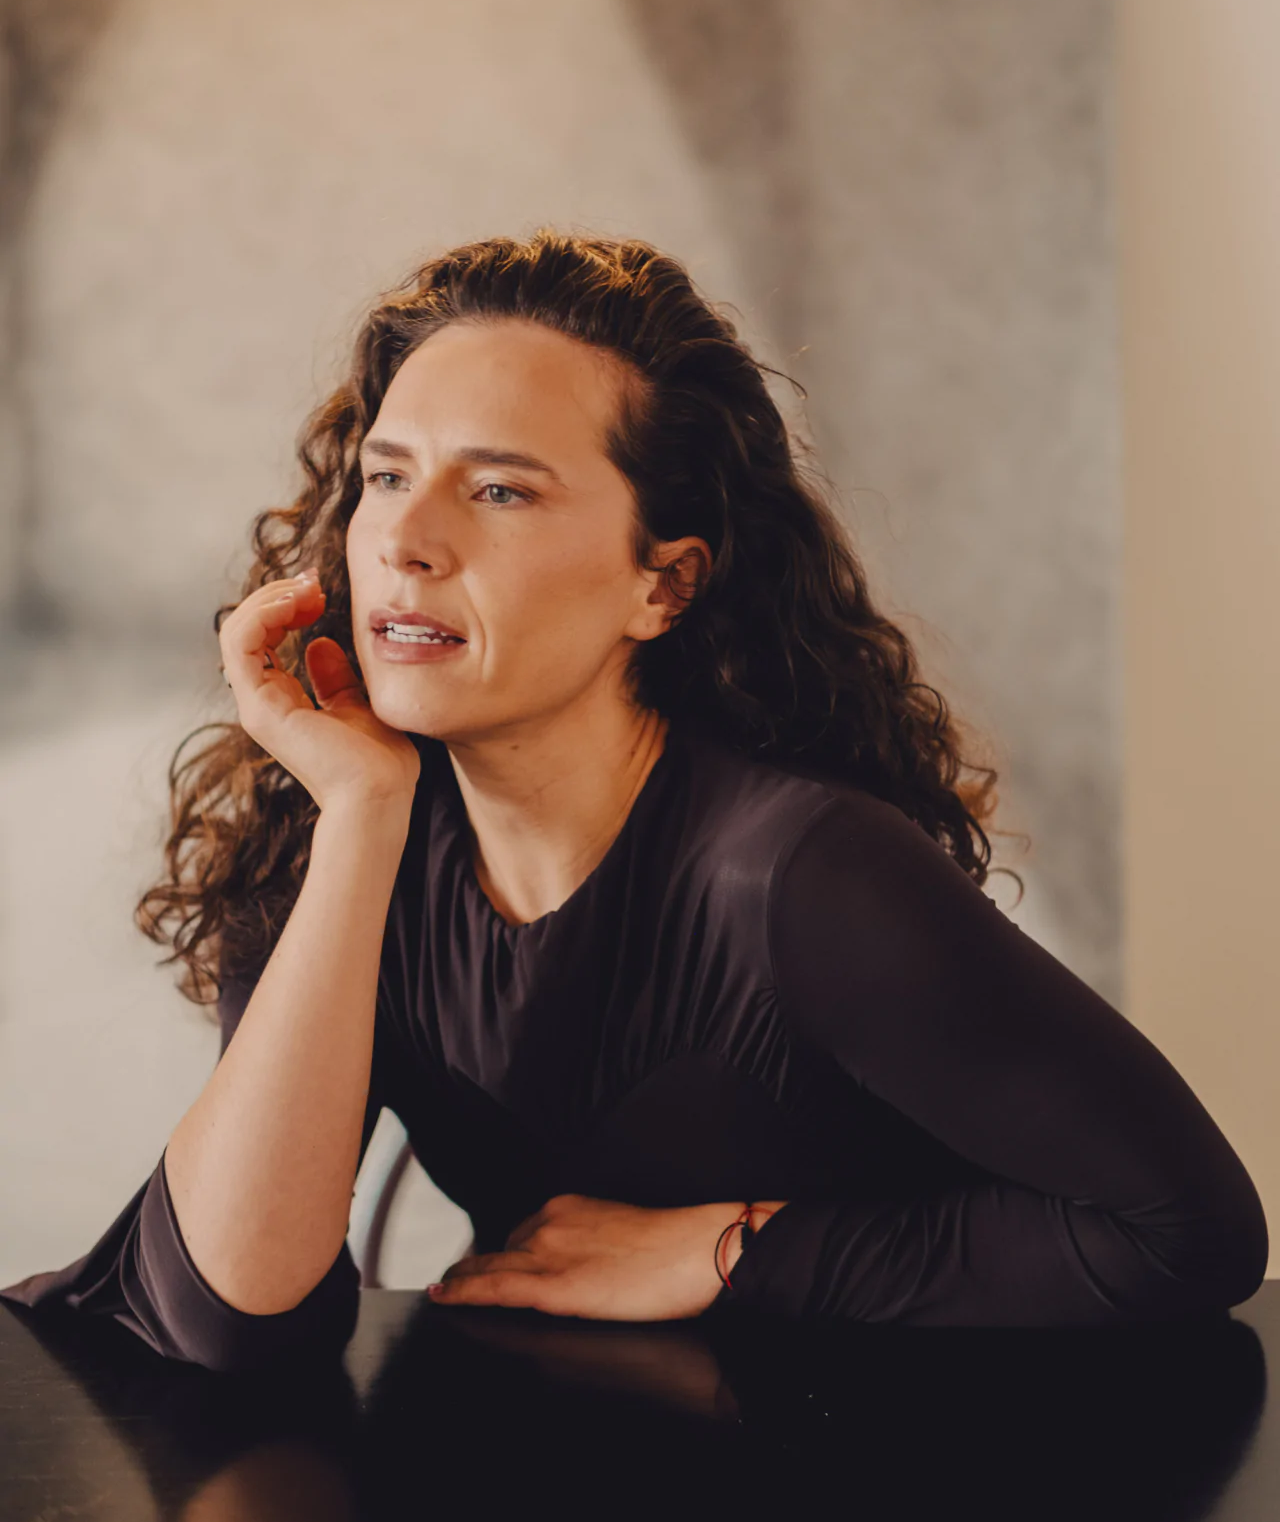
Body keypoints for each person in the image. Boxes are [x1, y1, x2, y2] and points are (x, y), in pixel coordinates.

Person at [2, 229, 1267, 1371]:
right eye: (386, 477)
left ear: (659, 586)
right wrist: (360, 816)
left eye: (498, 490)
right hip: (574, 1510)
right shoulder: (335, 833)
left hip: (911, 1510)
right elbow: (233, 1307)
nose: (405, 540)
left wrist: (726, 1251)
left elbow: (1186, 1233)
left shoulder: (801, 875)